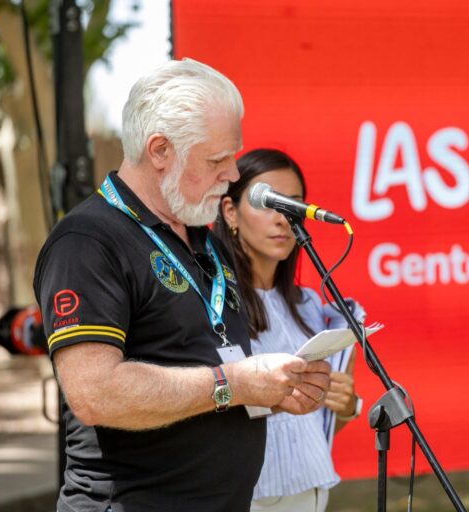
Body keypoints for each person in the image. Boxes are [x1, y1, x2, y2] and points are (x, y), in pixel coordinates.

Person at [33, 59, 331, 512]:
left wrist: (273, 391)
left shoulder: (204, 239)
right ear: (159, 151)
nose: (232, 175)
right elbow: (95, 393)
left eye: (233, 156)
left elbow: (201, 372)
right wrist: (234, 384)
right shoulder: (86, 242)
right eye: (216, 160)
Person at [214, 149, 365, 512]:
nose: (282, 218)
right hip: (247, 497)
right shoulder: (212, 304)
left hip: (313, 494)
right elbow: (207, 405)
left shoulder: (310, 305)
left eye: (293, 204)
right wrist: (273, 398)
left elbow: (313, 424)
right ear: (230, 212)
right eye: (267, 202)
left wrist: (344, 406)